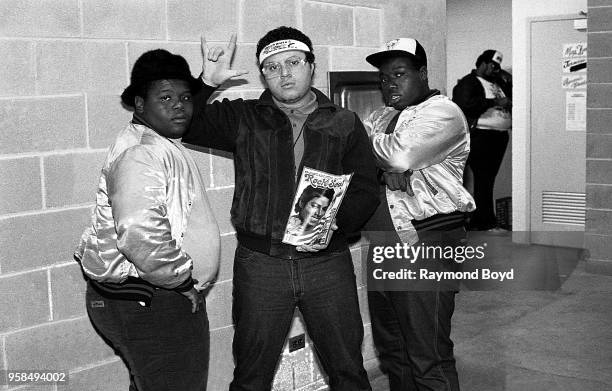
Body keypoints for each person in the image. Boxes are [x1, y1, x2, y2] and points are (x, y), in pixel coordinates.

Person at [182, 27, 379, 391]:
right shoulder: (244, 117)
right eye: (272, 67)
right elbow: (185, 124)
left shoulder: (344, 121)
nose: (284, 73)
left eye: (293, 62)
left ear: (311, 66)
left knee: (348, 371)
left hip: (327, 264)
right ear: (263, 75)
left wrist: (341, 221)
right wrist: (206, 83)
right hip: (261, 267)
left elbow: (366, 187)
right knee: (251, 376)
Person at [74, 49, 221, 391]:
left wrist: (207, 84)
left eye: (185, 97)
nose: (179, 106)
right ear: (140, 104)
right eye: (165, 97)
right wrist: (181, 281)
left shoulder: (155, 141)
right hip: (153, 300)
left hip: (147, 298)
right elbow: (140, 231)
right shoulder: (141, 152)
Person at [363, 38, 475, 391]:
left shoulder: (443, 113)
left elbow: (398, 157)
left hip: (425, 241)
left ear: (423, 74)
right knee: (393, 350)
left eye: (399, 73)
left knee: (428, 355)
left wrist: (385, 159)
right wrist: (381, 162)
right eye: (383, 78)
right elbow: (359, 155)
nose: (390, 83)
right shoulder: (382, 116)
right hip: (383, 244)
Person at [452, 50, 512, 231]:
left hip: (499, 136)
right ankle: (483, 222)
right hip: (481, 135)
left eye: (497, 67)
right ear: (483, 63)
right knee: (481, 179)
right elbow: (464, 105)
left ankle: (487, 219)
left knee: (489, 179)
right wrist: (494, 103)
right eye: (492, 66)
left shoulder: (497, 82)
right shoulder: (468, 83)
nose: (494, 70)